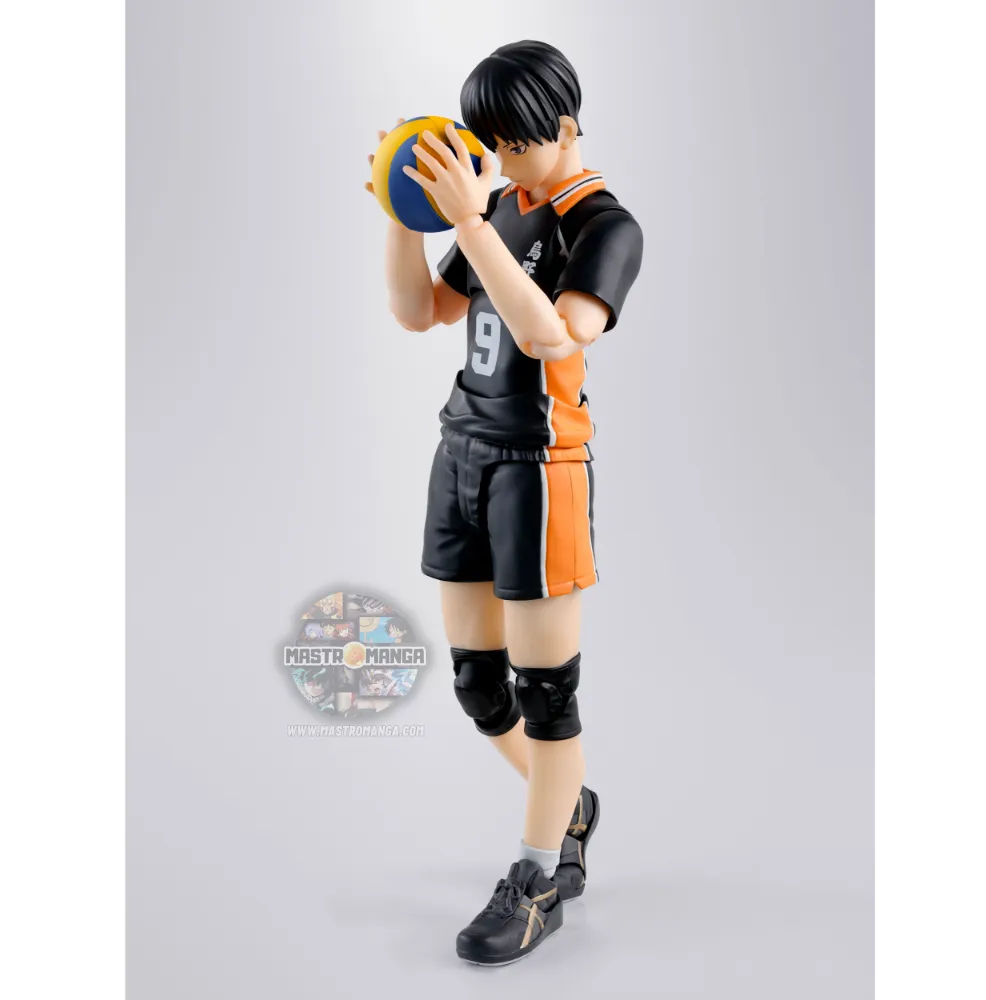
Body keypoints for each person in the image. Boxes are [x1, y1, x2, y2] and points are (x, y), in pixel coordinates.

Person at [365, 39, 642, 964]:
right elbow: (420, 313)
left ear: (563, 128)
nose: (501, 162)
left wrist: (470, 222)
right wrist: (404, 214)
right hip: (463, 451)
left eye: (516, 146)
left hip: (539, 466)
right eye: (492, 145)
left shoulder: (603, 225)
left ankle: (538, 876)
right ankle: (568, 806)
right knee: (480, 687)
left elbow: (554, 337)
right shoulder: (501, 206)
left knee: (546, 697)